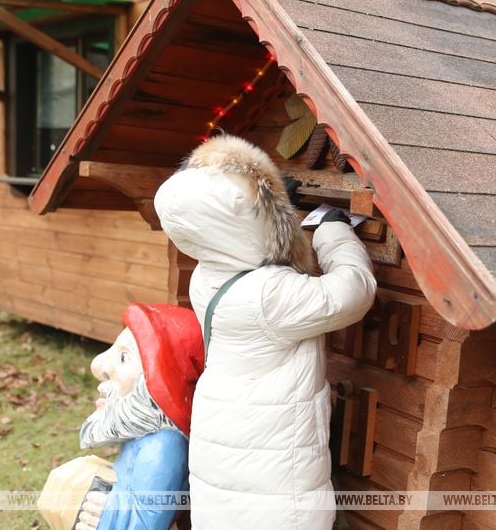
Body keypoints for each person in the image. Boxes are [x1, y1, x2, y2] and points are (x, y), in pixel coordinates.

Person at [154, 134, 377, 529]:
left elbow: (240, 240)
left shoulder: (208, 272)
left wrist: (277, 213)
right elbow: (352, 292)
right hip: (272, 465)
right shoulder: (268, 294)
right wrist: (332, 232)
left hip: (228, 438)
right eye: (266, 207)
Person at [74, 303, 203, 530]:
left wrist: (107, 513)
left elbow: (149, 520)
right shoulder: (144, 437)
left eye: (123, 358)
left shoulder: (163, 447)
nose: (99, 365)